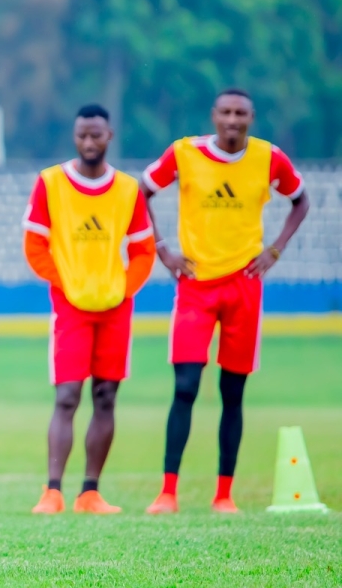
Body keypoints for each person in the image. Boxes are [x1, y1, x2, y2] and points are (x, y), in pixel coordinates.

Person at [142, 89, 309, 514]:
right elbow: (141, 192)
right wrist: (162, 247)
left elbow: (300, 200)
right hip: (196, 285)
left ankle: (223, 495)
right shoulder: (183, 153)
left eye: (241, 113)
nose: (233, 120)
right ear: (213, 116)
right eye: (226, 112)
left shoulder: (269, 158)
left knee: (232, 391)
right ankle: (167, 492)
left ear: (251, 117)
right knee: (185, 386)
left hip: (244, 286)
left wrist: (275, 249)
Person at [21, 104, 156, 515]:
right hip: (71, 309)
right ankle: (53, 491)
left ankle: (90, 492)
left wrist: (123, 289)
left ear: (109, 136)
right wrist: (66, 285)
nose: (89, 142)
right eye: (82, 135)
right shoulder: (51, 182)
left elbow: (144, 250)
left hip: (115, 309)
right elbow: (34, 245)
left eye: (97, 135)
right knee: (67, 397)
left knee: (106, 396)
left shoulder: (128, 189)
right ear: (74, 136)